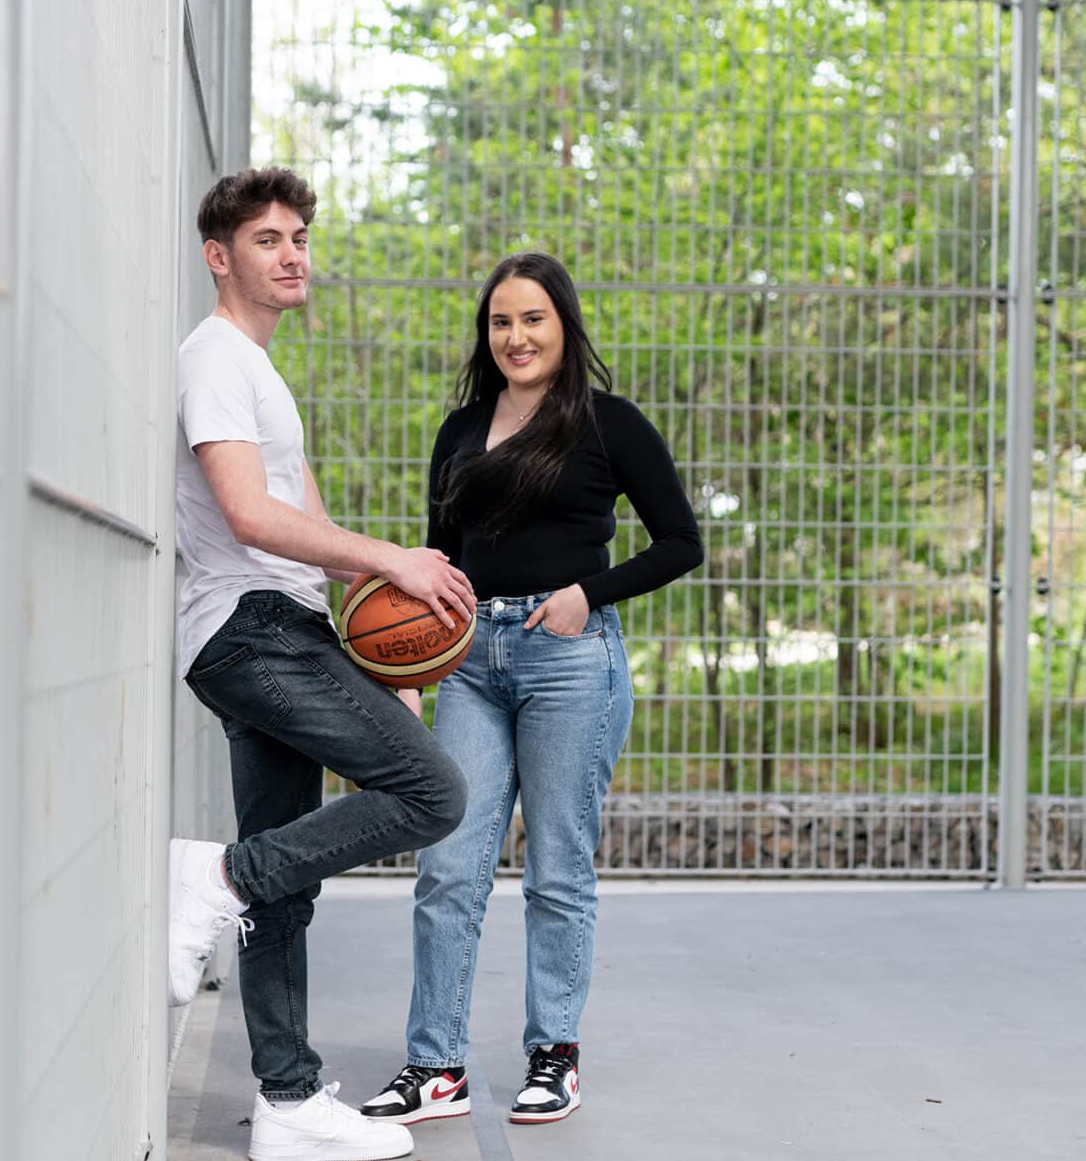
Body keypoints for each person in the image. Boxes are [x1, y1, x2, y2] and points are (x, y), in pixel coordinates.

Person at [169, 166, 477, 1161]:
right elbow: (249, 518)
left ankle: (286, 1102)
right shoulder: (214, 358)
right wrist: (392, 559)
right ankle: (216, 873)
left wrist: (375, 654)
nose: (291, 252)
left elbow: (300, 528)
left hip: (281, 627)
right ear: (219, 257)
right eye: (266, 239)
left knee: (285, 890)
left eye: (297, 236)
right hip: (248, 630)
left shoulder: (256, 369)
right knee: (430, 791)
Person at [361, 252, 702, 1129]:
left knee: (557, 869)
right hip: (468, 661)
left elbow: (679, 542)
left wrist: (588, 594)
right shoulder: (459, 429)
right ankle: (436, 1064)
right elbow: (436, 561)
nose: (516, 336)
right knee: (447, 865)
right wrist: (411, 673)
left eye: (533, 319)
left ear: (565, 326)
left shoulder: (609, 425)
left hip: (570, 656)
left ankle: (554, 1053)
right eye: (501, 321)